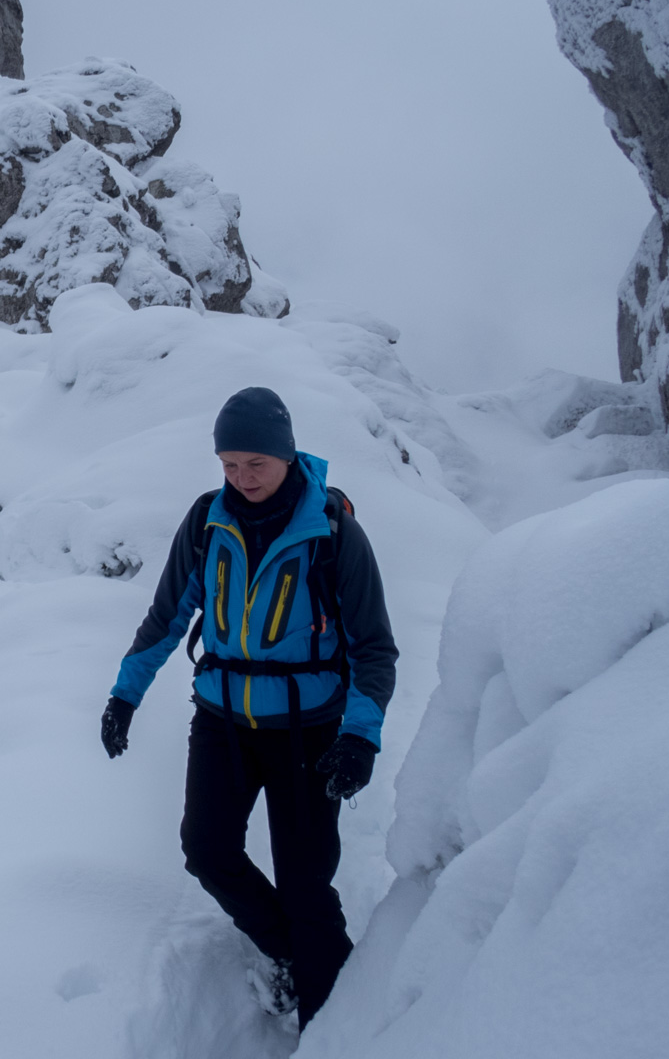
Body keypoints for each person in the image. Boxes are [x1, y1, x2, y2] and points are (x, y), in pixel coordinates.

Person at [99, 386, 396, 1030]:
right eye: (229, 464)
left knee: (306, 886)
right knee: (207, 851)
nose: (241, 477)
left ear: (286, 456)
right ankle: (299, 954)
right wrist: (125, 695)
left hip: (308, 731)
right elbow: (167, 616)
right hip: (222, 723)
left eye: (254, 463)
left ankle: (330, 1024)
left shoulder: (333, 531)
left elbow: (374, 647)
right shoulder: (207, 521)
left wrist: (360, 737)